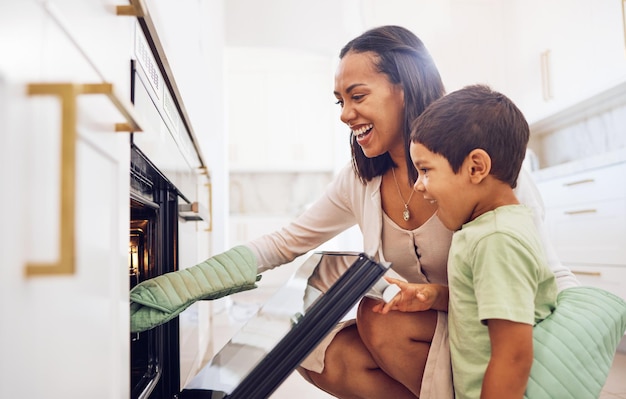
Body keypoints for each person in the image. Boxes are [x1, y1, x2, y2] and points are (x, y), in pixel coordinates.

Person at [245, 26, 578, 399]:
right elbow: (288, 241)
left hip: (496, 335)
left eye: (357, 96)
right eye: (340, 101)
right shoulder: (361, 179)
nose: (345, 115)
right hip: (451, 322)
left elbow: (539, 277)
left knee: (380, 321)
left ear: (405, 88)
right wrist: (190, 283)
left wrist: (571, 355)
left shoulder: (485, 175)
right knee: (319, 348)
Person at [378, 84, 558, 398]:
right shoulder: (488, 231)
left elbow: (513, 355)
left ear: (476, 167)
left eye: (425, 170)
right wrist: (435, 296)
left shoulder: (496, 240)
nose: (418, 186)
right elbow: (485, 305)